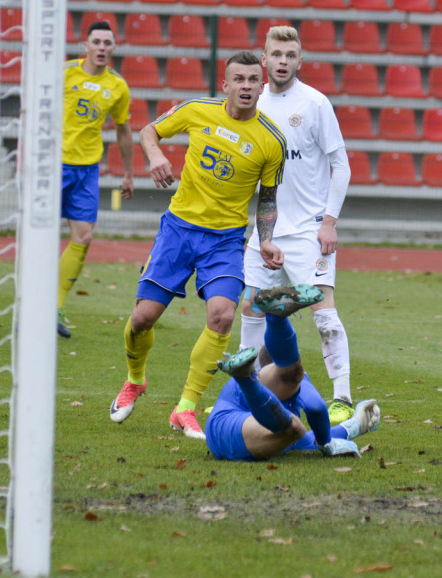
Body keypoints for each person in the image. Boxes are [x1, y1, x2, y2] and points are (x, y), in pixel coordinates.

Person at [108, 51, 287, 439]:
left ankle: (186, 407)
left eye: (252, 80)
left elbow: (268, 197)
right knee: (142, 319)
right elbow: (148, 131)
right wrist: (155, 156)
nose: (245, 86)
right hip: (178, 231)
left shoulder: (273, 141)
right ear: (225, 85)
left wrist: (267, 240)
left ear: (263, 86)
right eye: (237, 79)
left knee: (222, 316)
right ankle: (134, 380)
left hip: (223, 241)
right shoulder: (197, 110)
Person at [238, 25, 355, 425]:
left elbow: (341, 166)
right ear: (264, 58)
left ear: (300, 61)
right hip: (265, 234)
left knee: (324, 314)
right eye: (277, 54)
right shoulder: (252, 105)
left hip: (309, 232)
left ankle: (342, 396)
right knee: (252, 311)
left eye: (291, 55)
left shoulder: (315, 103)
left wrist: (329, 223)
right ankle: (246, 393)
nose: (283, 61)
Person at [207, 285, 381, 461]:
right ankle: (251, 370)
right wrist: (326, 443)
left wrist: (357, 425)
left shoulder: (259, 388)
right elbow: (315, 406)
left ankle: (275, 320)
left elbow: (306, 439)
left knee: (293, 428)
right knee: (294, 426)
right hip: (240, 432)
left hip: (220, 430)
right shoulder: (297, 382)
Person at [56, 21, 134, 338]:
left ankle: (54, 307)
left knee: (84, 237)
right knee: (42, 236)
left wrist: (129, 173)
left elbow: (123, 130)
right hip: (54, 163)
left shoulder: (118, 86)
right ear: (85, 45)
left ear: (113, 48)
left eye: (107, 43)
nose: (102, 47)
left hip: (87, 168)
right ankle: (31, 303)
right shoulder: (63, 73)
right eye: (96, 41)